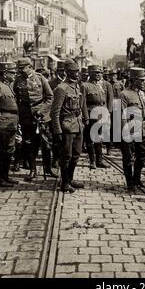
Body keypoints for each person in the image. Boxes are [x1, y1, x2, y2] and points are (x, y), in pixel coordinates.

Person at [51, 58, 88, 193]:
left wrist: (83, 120)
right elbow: (55, 112)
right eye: (73, 71)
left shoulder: (77, 86)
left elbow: (81, 104)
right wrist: (57, 131)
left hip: (77, 124)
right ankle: (65, 183)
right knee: (66, 155)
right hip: (67, 125)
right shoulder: (61, 88)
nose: (77, 74)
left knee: (76, 154)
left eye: (77, 71)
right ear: (67, 72)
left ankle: (70, 179)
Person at [13, 57, 54, 181]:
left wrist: (41, 112)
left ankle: (48, 168)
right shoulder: (18, 80)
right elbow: (15, 97)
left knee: (46, 144)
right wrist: (20, 111)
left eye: (23, 68)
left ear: (30, 67)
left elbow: (50, 97)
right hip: (26, 116)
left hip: (41, 116)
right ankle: (32, 170)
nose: (20, 71)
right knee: (29, 143)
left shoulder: (40, 78)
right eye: (19, 68)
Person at [119, 67, 145, 191]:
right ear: (134, 80)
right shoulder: (124, 94)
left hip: (141, 129)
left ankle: (137, 179)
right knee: (128, 157)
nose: (143, 82)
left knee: (143, 154)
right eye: (141, 80)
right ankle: (130, 182)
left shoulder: (142, 93)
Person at [81, 64, 113, 169]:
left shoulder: (101, 86)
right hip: (91, 115)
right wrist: (85, 117)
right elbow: (83, 103)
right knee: (90, 139)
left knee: (99, 138)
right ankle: (92, 161)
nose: (99, 75)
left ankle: (100, 160)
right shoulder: (85, 86)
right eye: (96, 73)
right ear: (90, 74)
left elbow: (106, 101)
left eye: (99, 73)